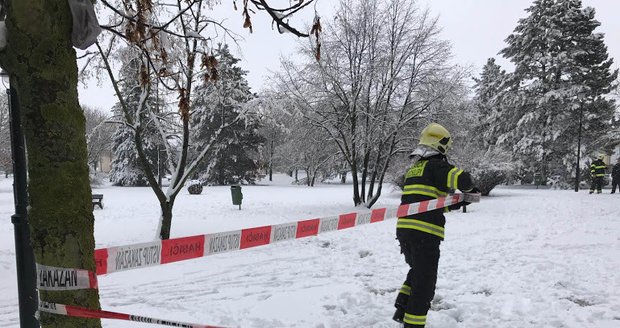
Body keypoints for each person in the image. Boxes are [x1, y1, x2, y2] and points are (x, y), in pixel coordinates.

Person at [393, 123, 477, 328]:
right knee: (425, 284)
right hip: (425, 234)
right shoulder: (436, 166)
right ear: (441, 146)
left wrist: (457, 202)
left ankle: (402, 306)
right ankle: (413, 324)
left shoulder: (414, 170)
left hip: (406, 232)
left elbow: (428, 204)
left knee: (418, 270)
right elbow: (463, 179)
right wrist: (472, 188)